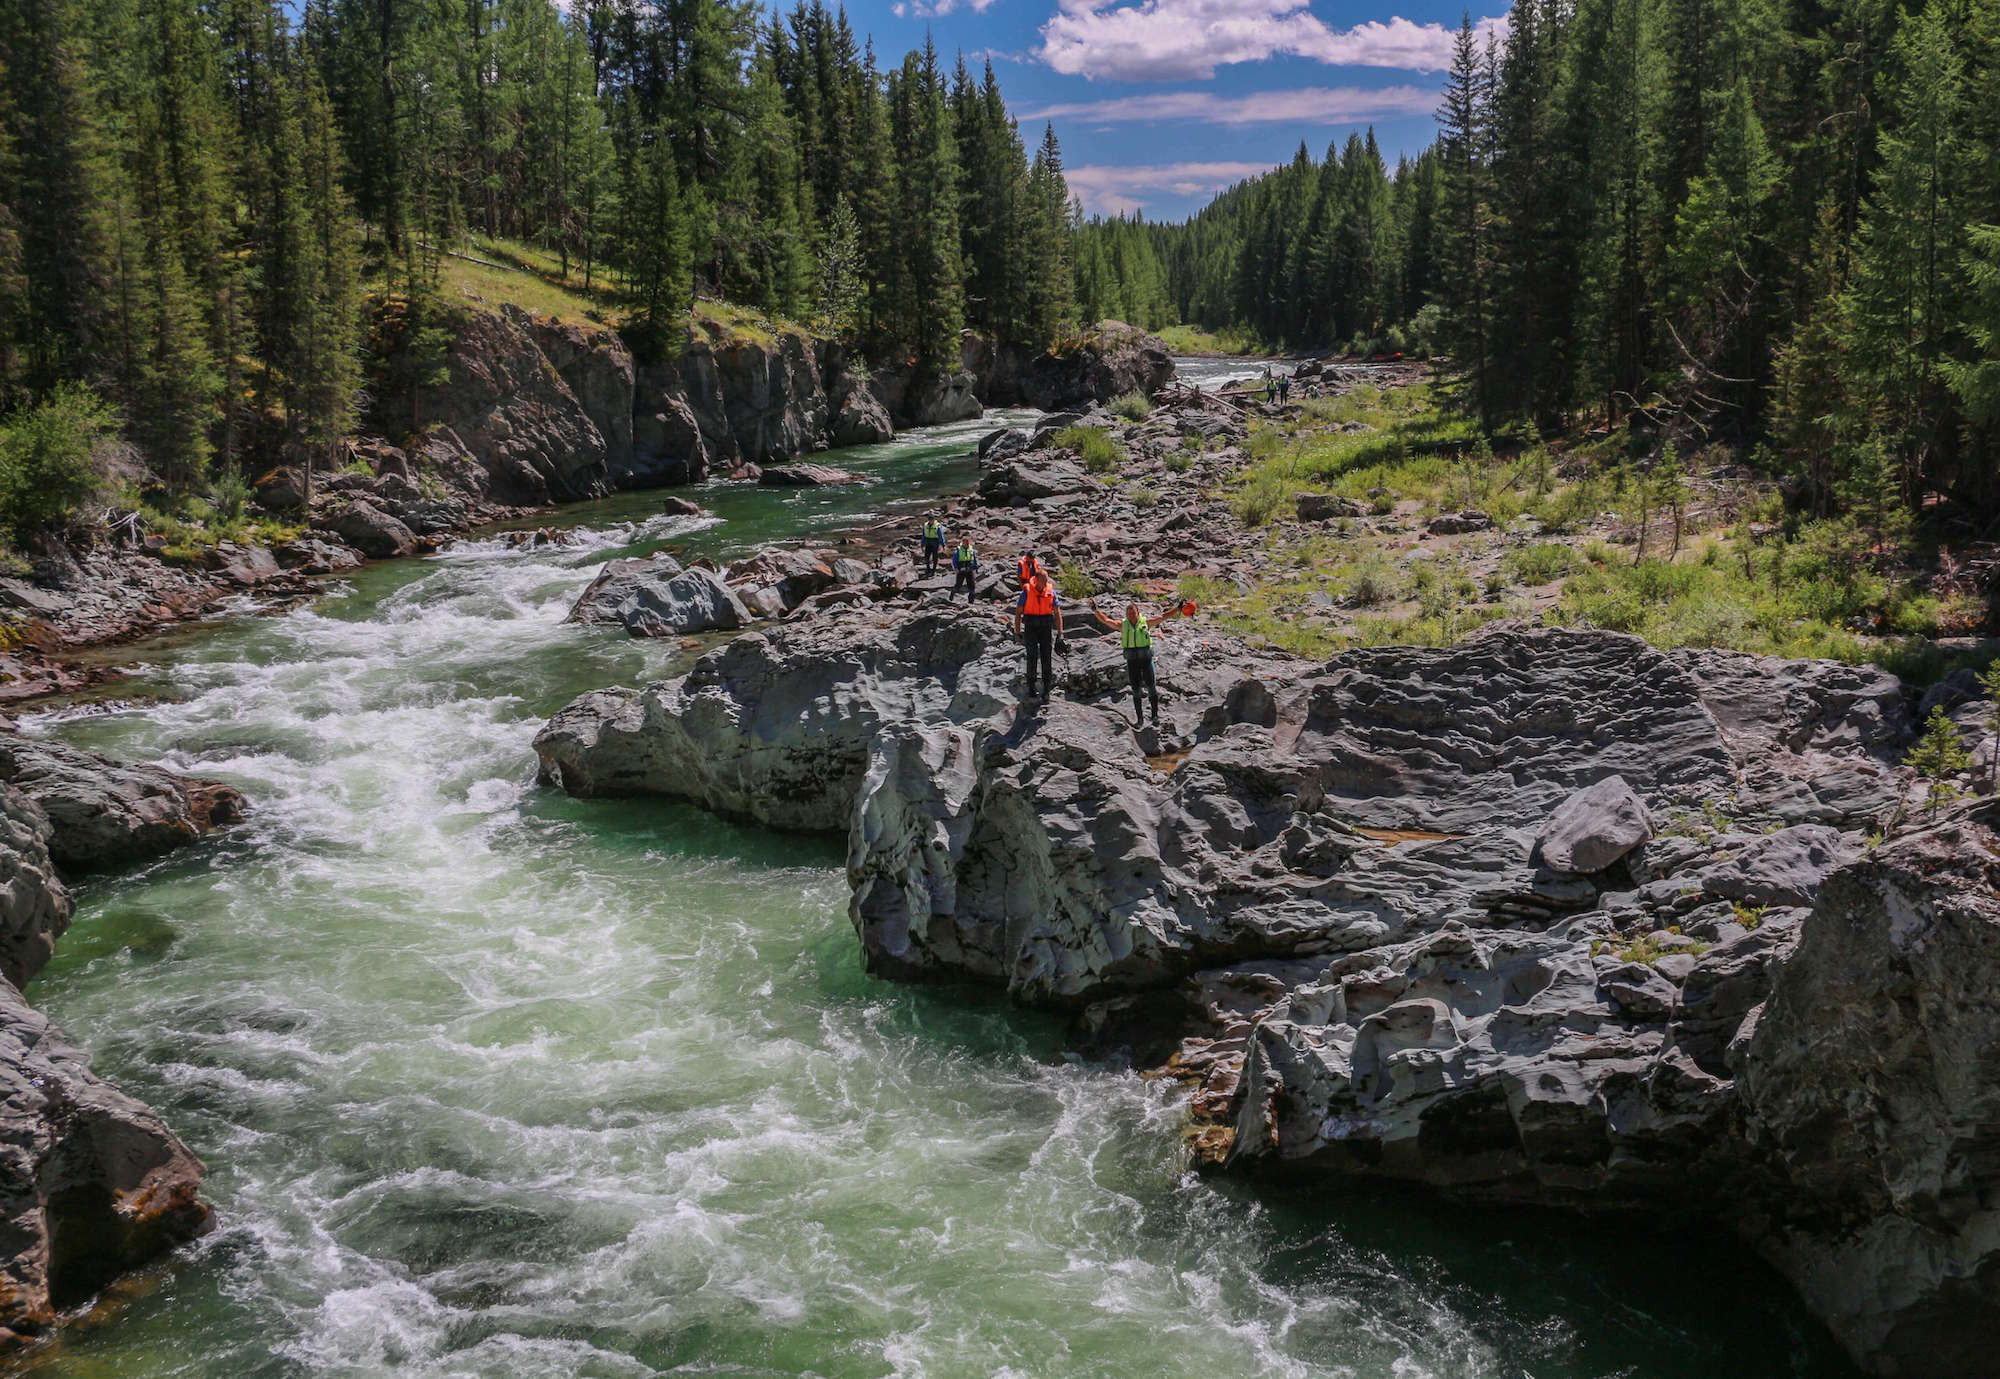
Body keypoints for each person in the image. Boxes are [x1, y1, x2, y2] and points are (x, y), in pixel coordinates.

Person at [1089, 598, 1188, 725]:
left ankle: (1154, 716)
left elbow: (1163, 616)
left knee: (1151, 687)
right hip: (1132, 662)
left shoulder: (1146, 622)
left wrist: (1178, 608)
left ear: (1138, 612)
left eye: (1133, 613)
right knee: (1135, 689)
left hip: (1146, 660)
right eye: (1128, 613)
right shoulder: (1122, 625)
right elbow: (1107, 620)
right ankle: (1140, 719)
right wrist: (1095, 610)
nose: (1131, 615)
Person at [1010, 566, 1065, 703]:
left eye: (1047, 579)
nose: (1046, 582)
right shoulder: (1027, 591)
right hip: (1031, 628)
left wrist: (1060, 634)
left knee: (1047, 657)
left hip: (1046, 627)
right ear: (1036, 579)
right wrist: (1017, 632)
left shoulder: (1050, 591)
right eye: (1043, 579)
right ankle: (1031, 687)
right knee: (1032, 657)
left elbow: (1057, 613)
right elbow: (1018, 613)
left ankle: (1047, 689)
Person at [951, 535, 979, 602]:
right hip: (961, 570)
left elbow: (974, 559)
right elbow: (954, 560)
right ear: (962, 542)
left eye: (967, 542)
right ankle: (951, 596)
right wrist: (956, 568)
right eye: (965, 542)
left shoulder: (971, 550)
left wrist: (976, 567)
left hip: (969, 570)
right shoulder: (958, 550)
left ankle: (971, 601)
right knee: (958, 585)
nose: (966, 544)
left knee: (972, 586)